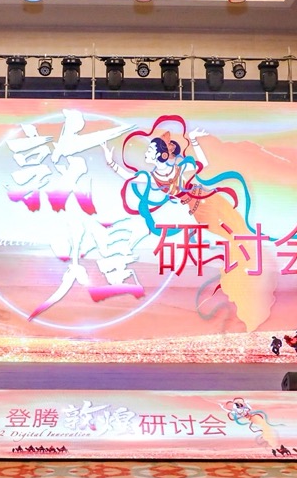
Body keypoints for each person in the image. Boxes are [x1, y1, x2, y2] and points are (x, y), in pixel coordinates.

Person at [102, 120, 275, 332]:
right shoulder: (153, 178)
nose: (146, 153)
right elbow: (130, 177)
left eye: (150, 150)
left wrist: (193, 140)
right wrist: (110, 162)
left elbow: (202, 163)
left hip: (207, 200)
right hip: (195, 213)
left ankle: (252, 270)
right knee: (225, 240)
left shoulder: (179, 168)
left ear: (160, 155)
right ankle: (245, 290)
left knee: (237, 231)